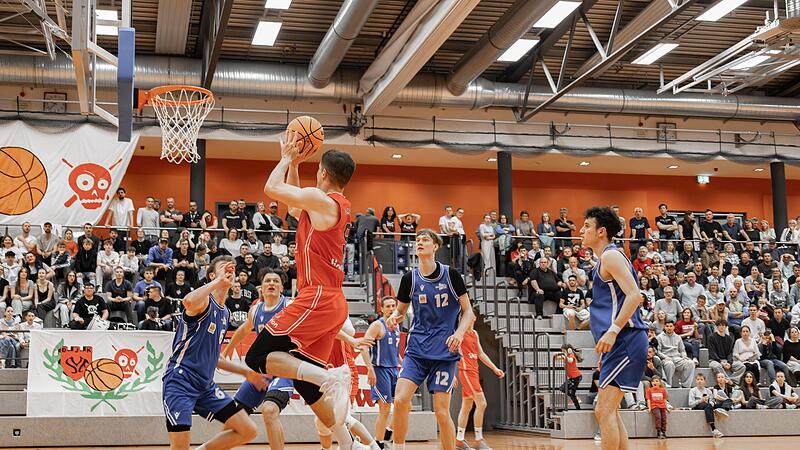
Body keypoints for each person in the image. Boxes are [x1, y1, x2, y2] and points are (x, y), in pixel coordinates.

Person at [244, 136, 366, 450]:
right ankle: (352, 446)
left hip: (318, 298)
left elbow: (272, 190)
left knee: (257, 357)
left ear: (323, 173)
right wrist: (296, 165)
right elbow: (294, 205)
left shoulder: (323, 201)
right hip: (332, 301)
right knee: (305, 384)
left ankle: (331, 378)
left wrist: (285, 158)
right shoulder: (327, 207)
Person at [162, 256, 268, 450]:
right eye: (224, 268)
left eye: (232, 269)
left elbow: (215, 357)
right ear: (212, 275)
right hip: (180, 380)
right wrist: (218, 281)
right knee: (179, 447)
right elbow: (188, 301)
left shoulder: (225, 313)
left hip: (205, 385)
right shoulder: (204, 303)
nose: (230, 271)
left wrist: (246, 373)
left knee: (248, 430)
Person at [386, 229, 476, 450]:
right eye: (417, 240)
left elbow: (468, 312)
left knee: (441, 412)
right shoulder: (410, 279)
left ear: (436, 246)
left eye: (425, 240)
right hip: (417, 349)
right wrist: (393, 318)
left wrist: (459, 333)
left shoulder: (451, 275)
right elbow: (400, 311)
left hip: (445, 351)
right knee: (399, 400)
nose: (420, 242)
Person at [579, 206, 648, 450]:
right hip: (619, 341)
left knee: (603, 409)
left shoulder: (611, 256)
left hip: (626, 339)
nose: (581, 230)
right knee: (610, 411)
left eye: (587, 226)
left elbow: (634, 296)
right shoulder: (604, 260)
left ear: (602, 231)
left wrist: (613, 329)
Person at [222, 269, 295, 450]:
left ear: (281, 287)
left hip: (284, 368)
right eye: (267, 280)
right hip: (261, 370)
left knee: (269, 411)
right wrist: (227, 350)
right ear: (261, 287)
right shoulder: (255, 311)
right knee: (233, 418)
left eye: (275, 281)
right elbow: (245, 329)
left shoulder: (290, 306)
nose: (271, 283)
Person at [455, 320, 505, 450]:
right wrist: (452, 375)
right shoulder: (459, 333)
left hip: (474, 371)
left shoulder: (475, 334)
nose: (470, 317)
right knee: (482, 403)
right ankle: (478, 440)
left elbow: (481, 354)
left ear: (474, 318)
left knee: (467, 405)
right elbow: (451, 353)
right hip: (466, 371)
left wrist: (494, 368)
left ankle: (459, 440)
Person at [361, 297, 401, 448]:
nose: (391, 309)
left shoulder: (396, 325)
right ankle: (379, 443)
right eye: (388, 306)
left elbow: (395, 352)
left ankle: (389, 432)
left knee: (405, 404)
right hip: (380, 370)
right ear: (382, 309)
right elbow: (364, 347)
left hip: (394, 370)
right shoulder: (377, 325)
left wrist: (404, 365)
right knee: (385, 408)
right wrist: (370, 369)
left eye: (393, 306)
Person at [656, 321, 695, 388]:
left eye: (671, 326)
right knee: (669, 364)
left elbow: (682, 350)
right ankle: (668, 385)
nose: (669, 328)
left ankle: (685, 385)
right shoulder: (659, 337)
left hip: (677, 358)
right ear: (664, 327)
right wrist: (665, 357)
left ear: (674, 327)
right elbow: (658, 351)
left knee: (690, 363)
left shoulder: (678, 337)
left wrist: (684, 356)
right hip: (665, 358)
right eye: (667, 326)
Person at [708, 319, 746, 384]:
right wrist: (720, 362)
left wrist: (729, 363)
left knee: (742, 366)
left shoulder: (729, 339)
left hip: (726, 360)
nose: (721, 327)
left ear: (726, 327)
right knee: (717, 366)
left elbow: (730, 353)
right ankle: (729, 381)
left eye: (723, 325)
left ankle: (733, 380)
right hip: (714, 360)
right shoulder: (711, 337)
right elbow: (712, 352)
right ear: (717, 327)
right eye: (719, 325)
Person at [688, 373, 724, 438]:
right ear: (695, 381)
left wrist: (712, 403)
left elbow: (712, 401)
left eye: (701, 379)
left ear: (704, 381)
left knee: (717, 404)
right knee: (707, 405)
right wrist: (700, 400)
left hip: (707, 406)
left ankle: (721, 409)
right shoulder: (692, 390)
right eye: (698, 379)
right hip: (697, 406)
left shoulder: (708, 391)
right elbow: (690, 404)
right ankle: (713, 428)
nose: (699, 381)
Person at [554, 344, 583, 411]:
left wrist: (564, 356)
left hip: (577, 377)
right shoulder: (565, 356)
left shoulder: (571, 356)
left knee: (572, 394)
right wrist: (556, 355)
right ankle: (576, 398)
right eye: (562, 351)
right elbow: (556, 359)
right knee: (562, 388)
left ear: (568, 350)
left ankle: (578, 408)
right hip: (571, 378)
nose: (563, 352)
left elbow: (570, 360)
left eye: (564, 350)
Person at [646, 375, 669, 439]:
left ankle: (663, 432)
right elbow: (648, 400)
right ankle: (658, 432)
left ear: (659, 383)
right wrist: (649, 408)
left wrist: (667, 407)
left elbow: (664, 400)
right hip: (654, 406)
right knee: (658, 417)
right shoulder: (649, 390)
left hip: (662, 406)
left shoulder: (663, 390)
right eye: (653, 381)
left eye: (656, 381)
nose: (654, 382)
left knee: (664, 418)